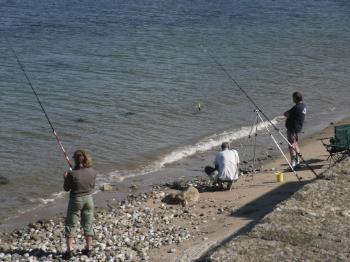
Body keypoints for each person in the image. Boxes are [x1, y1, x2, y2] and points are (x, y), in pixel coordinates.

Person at [63, 150, 96, 259]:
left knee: (71, 225)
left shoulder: (72, 174)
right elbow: (92, 186)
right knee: (88, 224)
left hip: (76, 200)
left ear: (75, 160)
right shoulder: (92, 171)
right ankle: (89, 248)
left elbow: (66, 188)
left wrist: (66, 177)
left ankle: (69, 251)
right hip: (89, 200)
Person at [284, 91, 307, 168]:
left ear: (295, 98)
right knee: (295, 143)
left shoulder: (297, 107)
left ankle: (293, 162)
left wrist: (289, 116)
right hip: (297, 128)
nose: (292, 100)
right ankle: (297, 160)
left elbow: (286, 114)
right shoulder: (303, 106)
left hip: (292, 128)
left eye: (293, 98)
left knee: (291, 144)